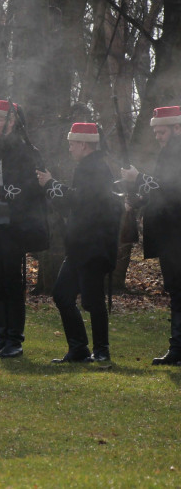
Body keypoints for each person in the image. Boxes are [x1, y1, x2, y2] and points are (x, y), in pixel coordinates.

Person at [0, 101, 49, 358]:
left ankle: (15, 339)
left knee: (12, 282)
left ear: (11, 122)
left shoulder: (27, 151)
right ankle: (2, 337)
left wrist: (1, 192)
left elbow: (33, 190)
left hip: (16, 227)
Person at [37, 123, 120, 363]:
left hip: (93, 246)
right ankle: (79, 348)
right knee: (62, 295)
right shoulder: (87, 167)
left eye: (72, 144)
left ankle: (102, 350)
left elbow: (80, 201)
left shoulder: (94, 169)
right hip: (80, 247)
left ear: (84, 144)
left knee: (92, 300)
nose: (70, 149)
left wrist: (51, 184)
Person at [120, 106, 181, 365]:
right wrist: (140, 198)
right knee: (176, 291)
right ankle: (177, 348)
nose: (158, 136)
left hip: (177, 234)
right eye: (155, 132)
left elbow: (173, 189)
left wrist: (139, 179)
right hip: (171, 235)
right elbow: (162, 190)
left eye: (162, 131)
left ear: (177, 128)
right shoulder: (169, 152)